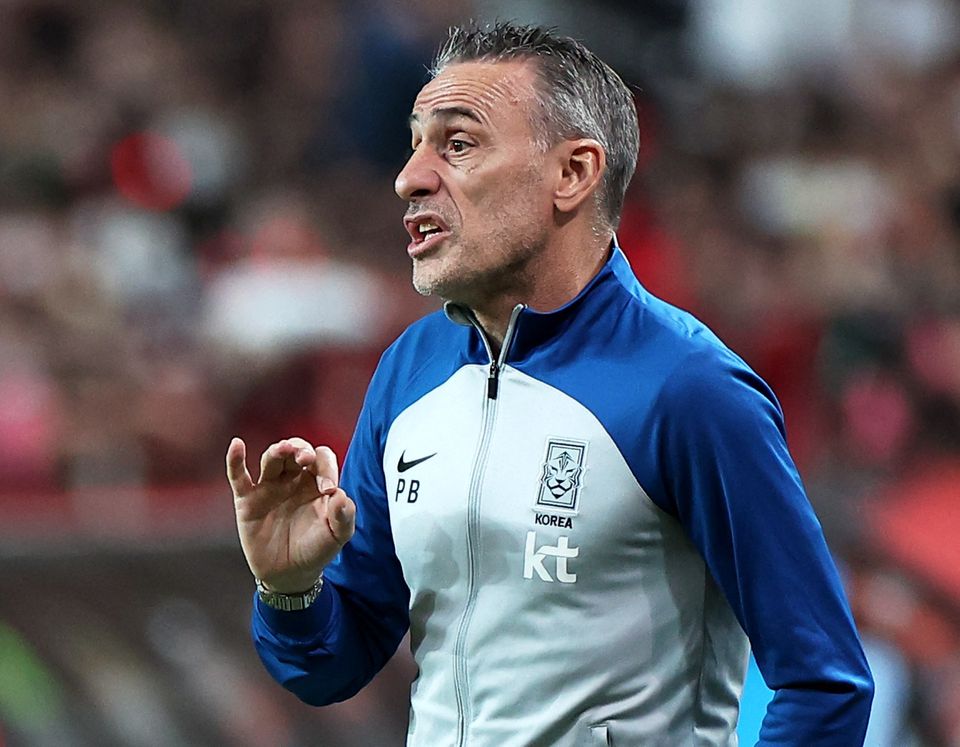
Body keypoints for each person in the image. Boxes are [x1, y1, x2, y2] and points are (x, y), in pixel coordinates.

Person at [226, 22, 874, 746]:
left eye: (459, 144)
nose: (411, 177)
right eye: (415, 143)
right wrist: (291, 589)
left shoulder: (690, 389)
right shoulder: (407, 372)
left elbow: (823, 681)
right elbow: (335, 664)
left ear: (572, 174)